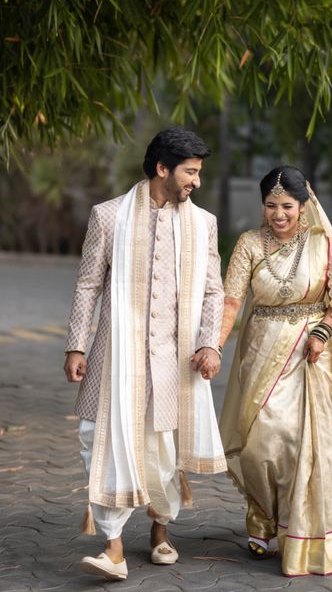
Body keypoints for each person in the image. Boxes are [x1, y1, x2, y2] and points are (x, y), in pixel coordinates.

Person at [64, 127, 226, 581]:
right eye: (190, 172)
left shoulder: (202, 223)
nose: (196, 181)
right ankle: (113, 546)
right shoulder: (109, 216)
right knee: (95, 436)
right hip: (115, 355)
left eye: (198, 172)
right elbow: (89, 283)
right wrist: (76, 343)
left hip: (176, 359)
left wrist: (210, 342)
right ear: (162, 169)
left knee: (164, 446)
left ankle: (160, 528)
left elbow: (214, 290)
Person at [218, 166, 332, 577]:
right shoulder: (248, 245)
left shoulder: (320, 244)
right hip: (260, 351)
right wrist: (214, 346)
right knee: (261, 446)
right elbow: (230, 302)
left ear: (303, 206)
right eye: (271, 205)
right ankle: (262, 513)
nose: (279, 214)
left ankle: (306, 533)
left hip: (309, 356)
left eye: (287, 206)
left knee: (301, 443)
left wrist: (321, 334)